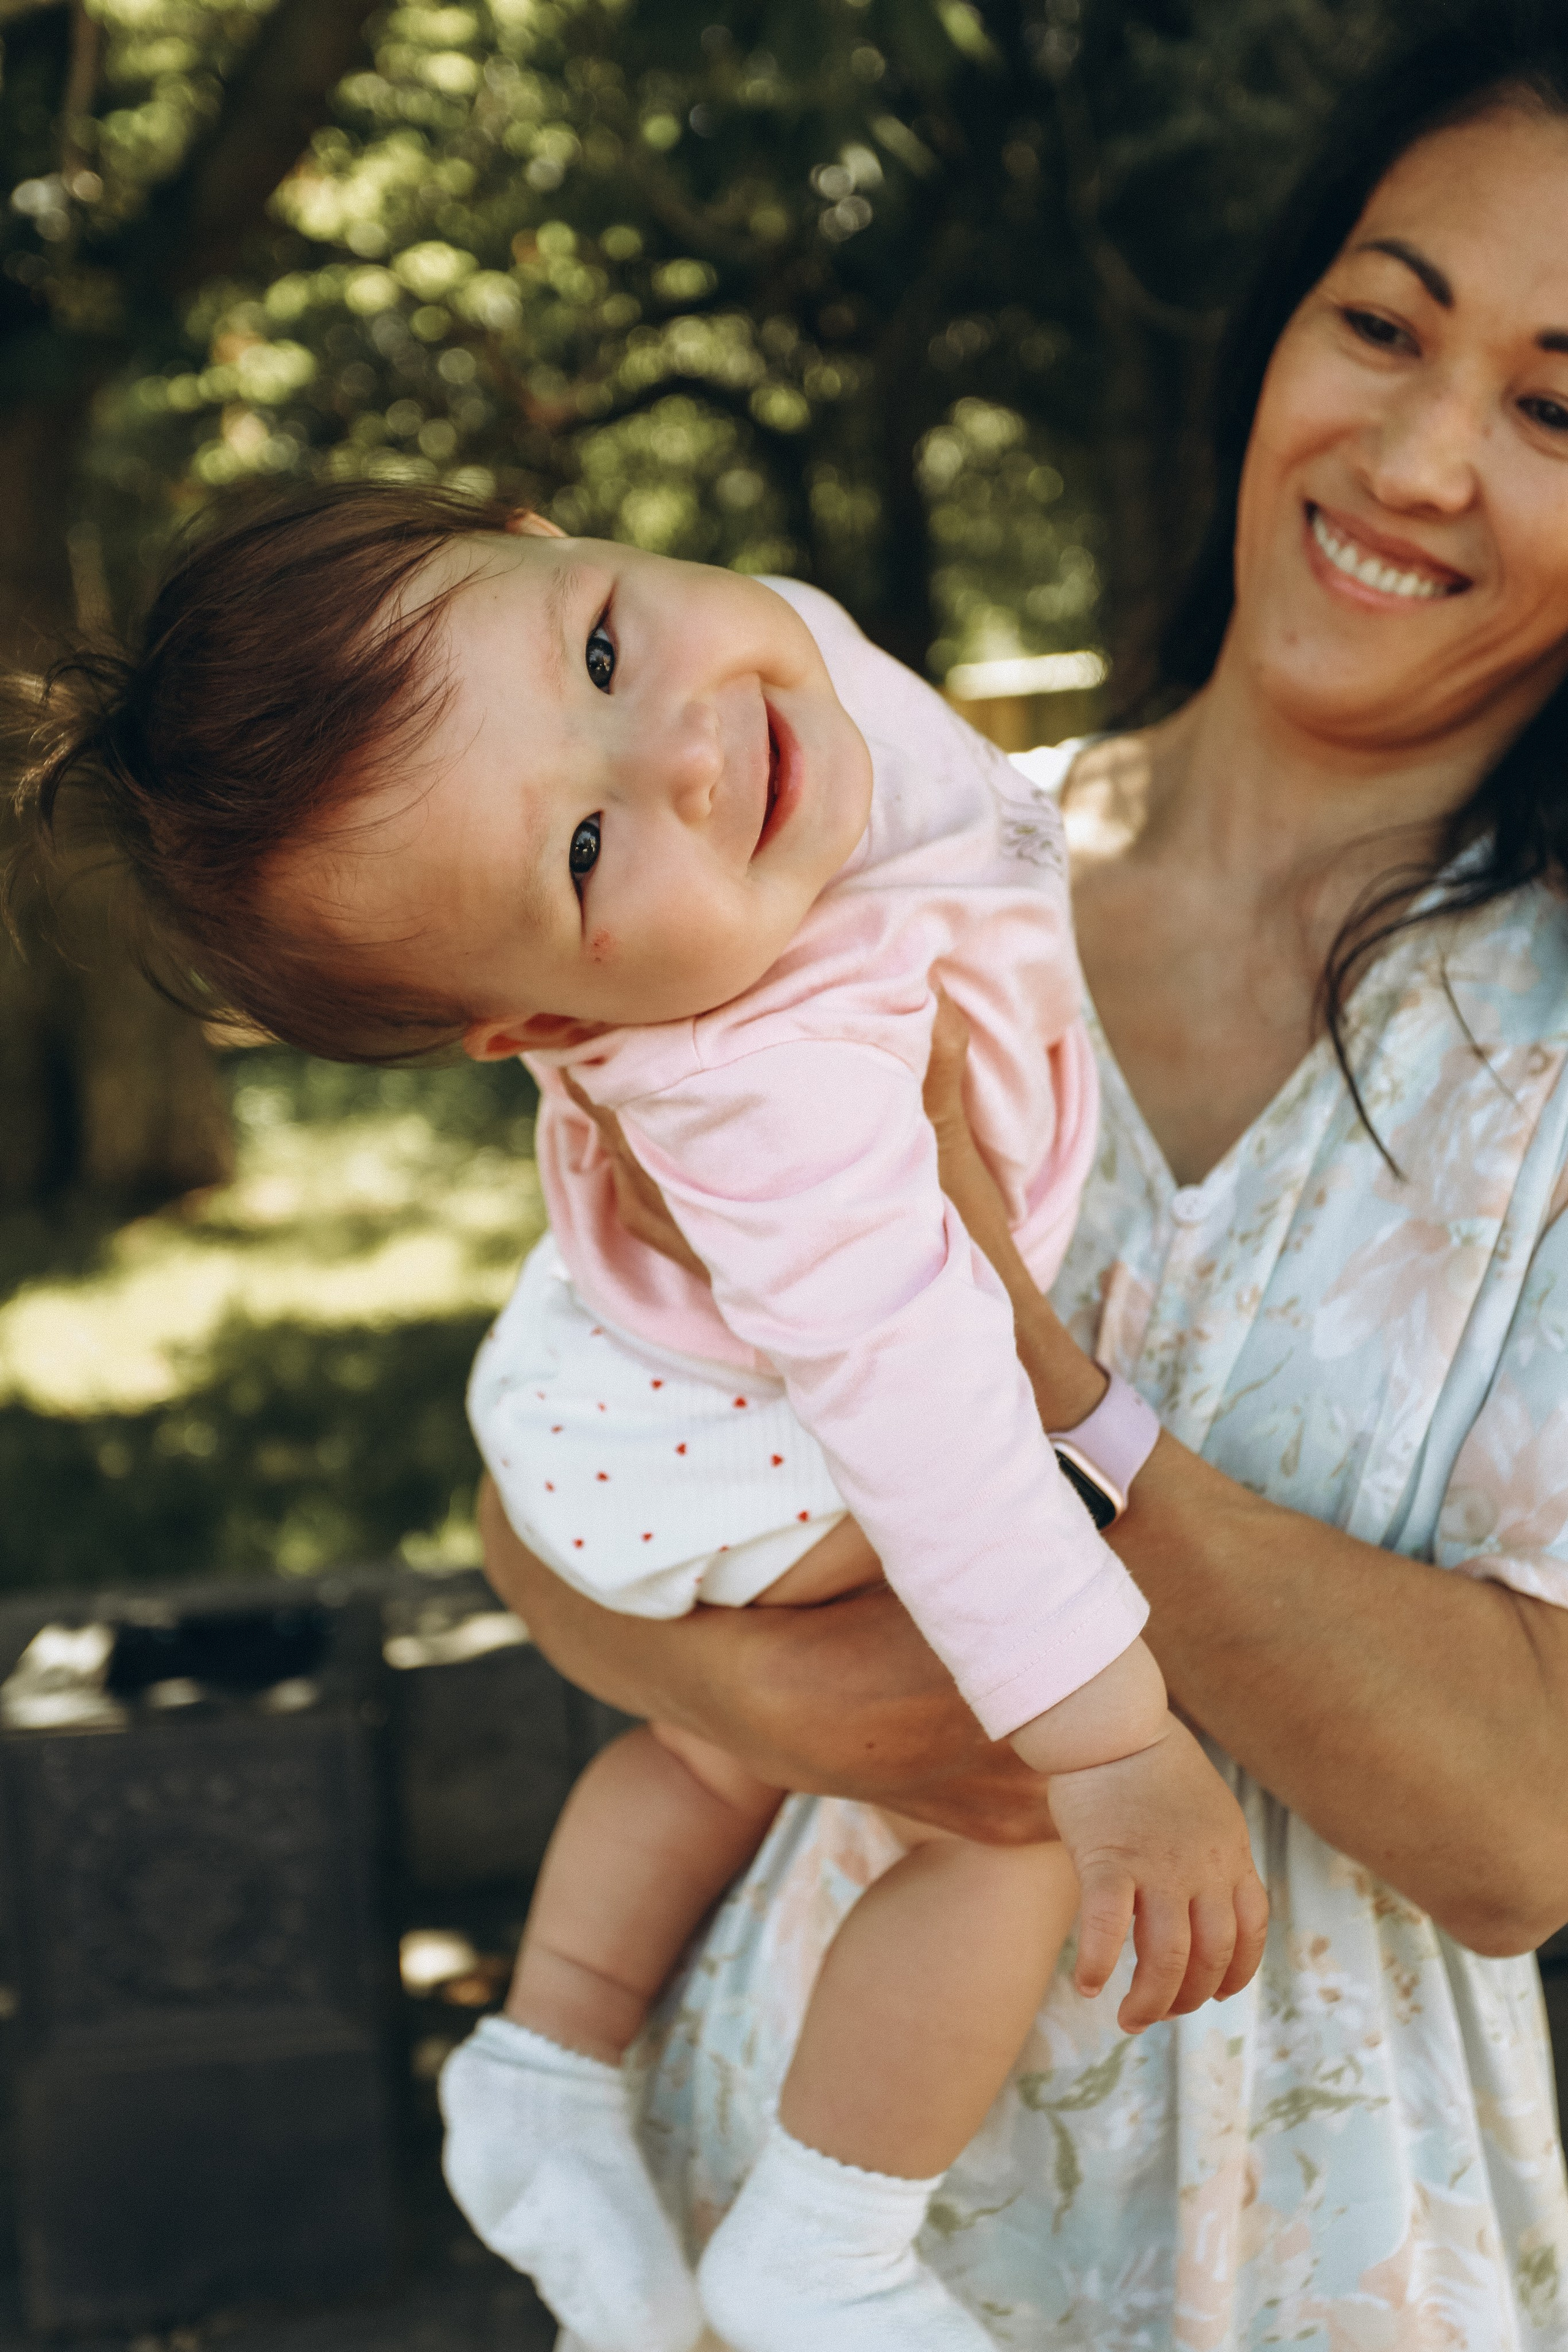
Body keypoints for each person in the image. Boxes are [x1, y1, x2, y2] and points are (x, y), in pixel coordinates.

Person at [469, 9, 1568, 2346]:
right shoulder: (861, 869)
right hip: (774, 2179)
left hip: (1301, 2253)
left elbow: (1519, 1831)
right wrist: (806, 1711)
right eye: (1382, 325)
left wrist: (1033, 1388)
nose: (1415, 458)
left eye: (1558, 411)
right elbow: (560, 1481)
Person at [14, 474, 1263, 2352]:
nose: (685, 751)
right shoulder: (769, 1082)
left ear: (553, 533)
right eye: (587, 855)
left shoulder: (762, 661)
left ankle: (542, 2056)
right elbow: (934, 1414)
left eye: (601, 647)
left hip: (618, 1382)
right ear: (540, 1034)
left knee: (709, 1746)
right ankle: (827, 2236)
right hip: (721, 1444)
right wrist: (1111, 1745)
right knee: (1003, 1814)